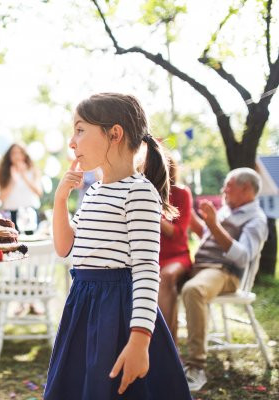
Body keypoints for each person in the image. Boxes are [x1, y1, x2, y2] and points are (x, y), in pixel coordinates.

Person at [44, 93, 191, 399]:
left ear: (114, 133)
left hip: (118, 311)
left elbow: (147, 269)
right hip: (84, 305)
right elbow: (64, 246)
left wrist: (139, 340)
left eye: (80, 130)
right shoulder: (95, 191)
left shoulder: (139, 192)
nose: (72, 141)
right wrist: (61, 200)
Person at [181, 167, 268, 391]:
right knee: (158, 278)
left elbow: (243, 257)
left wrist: (213, 225)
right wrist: (191, 217)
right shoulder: (226, 211)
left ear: (246, 189)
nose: (223, 190)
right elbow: (208, 237)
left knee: (193, 290)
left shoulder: (256, 219)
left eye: (228, 185)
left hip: (225, 272)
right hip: (200, 267)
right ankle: (161, 353)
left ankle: (196, 366)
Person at [158, 154, 193, 344]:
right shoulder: (142, 191)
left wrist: (157, 217)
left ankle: (166, 345)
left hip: (177, 257)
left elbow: (179, 234)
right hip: (151, 257)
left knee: (166, 276)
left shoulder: (181, 193)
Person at [0, 143, 42, 233]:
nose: (17, 156)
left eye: (19, 153)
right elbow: (1, 198)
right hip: (12, 214)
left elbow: (39, 192)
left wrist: (24, 175)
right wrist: (13, 180)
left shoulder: (32, 170)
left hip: (30, 213)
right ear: (9, 156)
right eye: (14, 153)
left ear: (24, 155)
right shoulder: (4, 173)